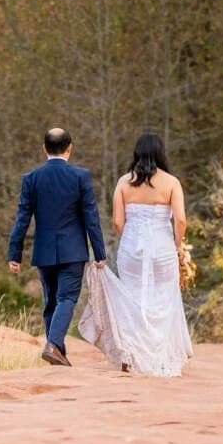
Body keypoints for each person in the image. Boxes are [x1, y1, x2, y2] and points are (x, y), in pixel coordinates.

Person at [79, 131, 192, 377]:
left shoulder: (123, 182)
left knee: (131, 298)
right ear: (161, 153)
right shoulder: (172, 182)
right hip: (162, 247)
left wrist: (129, 237)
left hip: (132, 247)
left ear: (136, 154)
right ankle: (161, 358)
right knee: (163, 299)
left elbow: (118, 222)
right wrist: (177, 245)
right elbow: (181, 219)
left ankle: (133, 355)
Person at [7, 127, 107, 366]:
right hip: (73, 251)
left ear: (44, 149)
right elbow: (91, 217)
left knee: (51, 300)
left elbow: (22, 218)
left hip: (43, 250)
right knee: (67, 298)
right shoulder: (80, 176)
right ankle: (52, 345)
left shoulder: (31, 178)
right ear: (69, 148)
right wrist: (99, 252)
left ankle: (57, 352)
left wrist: (15, 253)